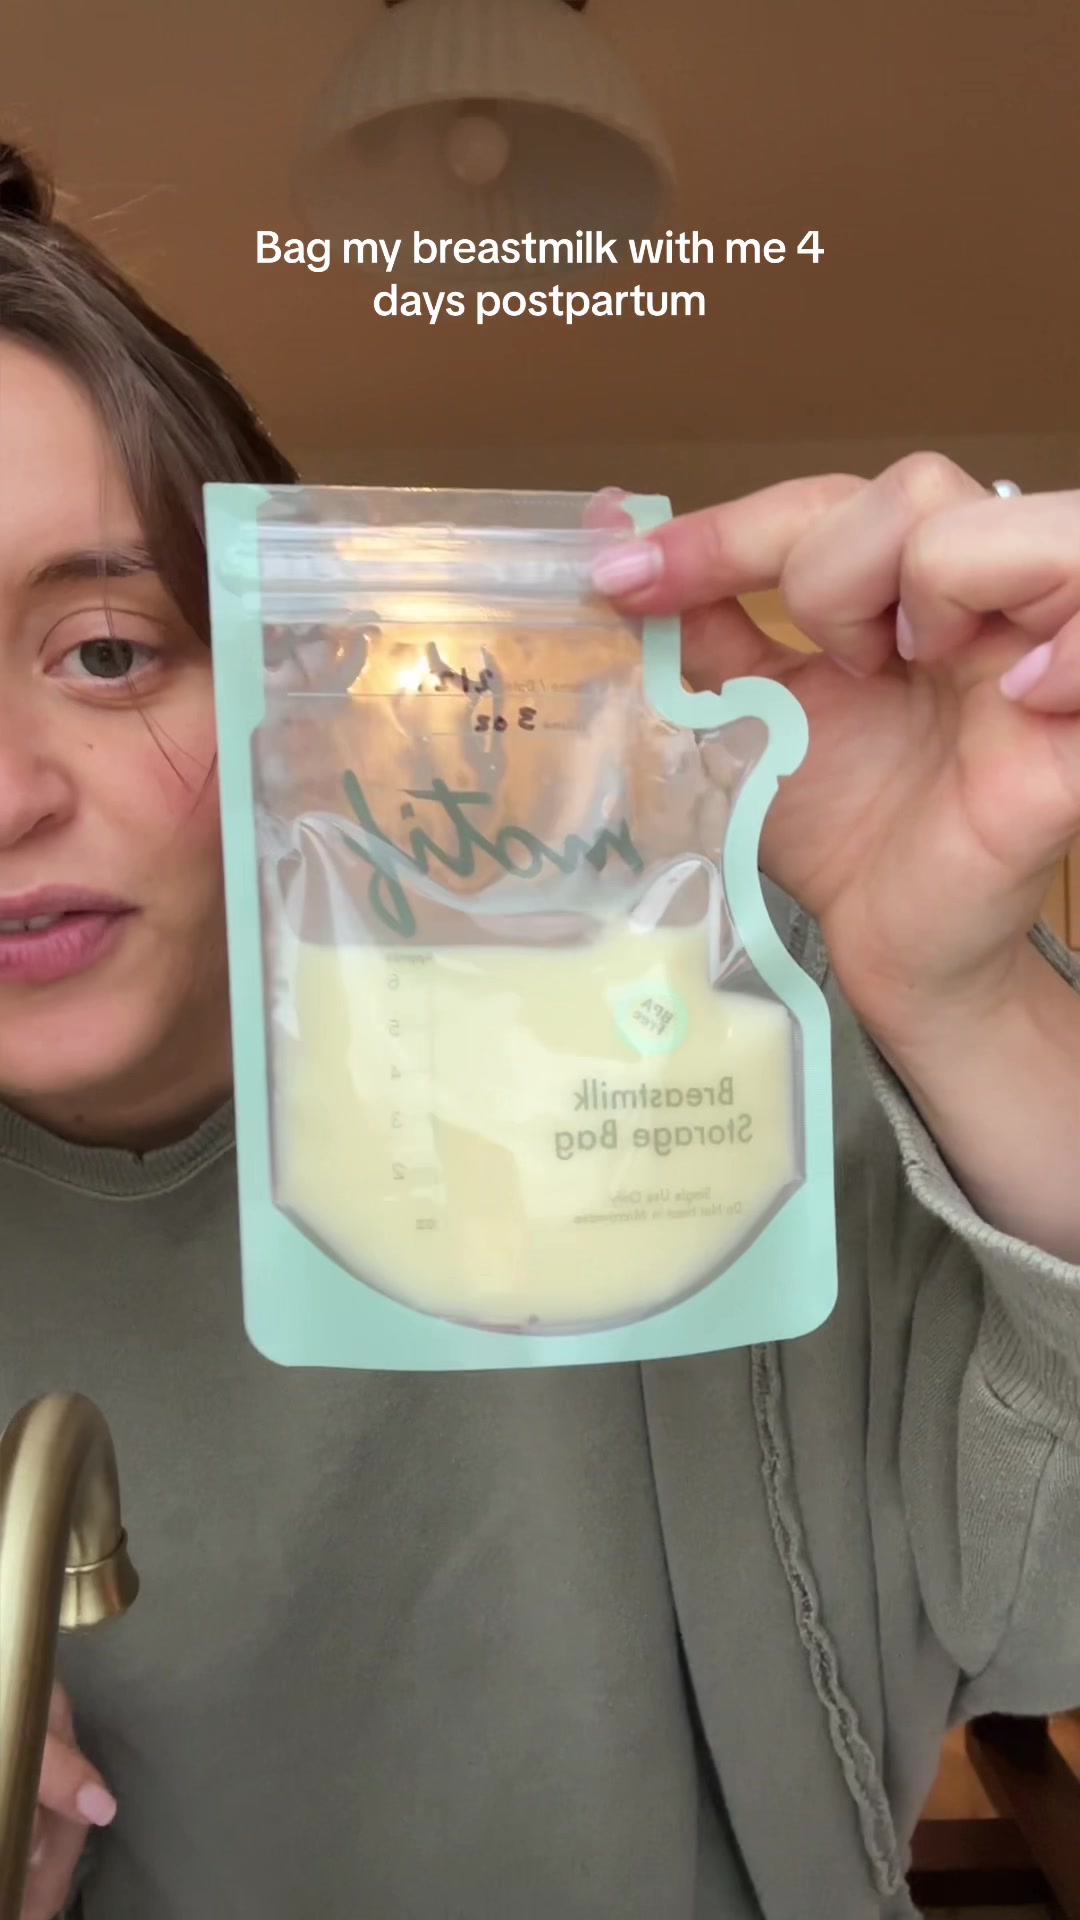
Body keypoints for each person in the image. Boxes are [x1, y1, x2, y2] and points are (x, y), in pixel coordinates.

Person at [1, 135, 1078, 1920]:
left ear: (296, 675)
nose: (9, 795)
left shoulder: (692, 1065)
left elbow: (1050, 1620)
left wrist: (969, 1007)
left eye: (107, 651)